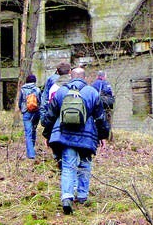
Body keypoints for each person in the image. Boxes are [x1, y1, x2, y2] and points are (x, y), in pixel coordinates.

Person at [41, 66, 110, 215]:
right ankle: (83, 196)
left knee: (68, 166)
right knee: (85, 165)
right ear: (85, 78)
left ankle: (67, 197)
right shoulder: (92, 92)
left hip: (65, 135)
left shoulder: (61, 92)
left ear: (71, 77)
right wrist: (103, 136)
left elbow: (50, 116)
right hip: (87, 137)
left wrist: (47, 135)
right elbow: (100, 118)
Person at [18, 74, 42, 160]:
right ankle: (32, 148)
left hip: (26, 112)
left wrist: (21, 109)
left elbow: (20, 101)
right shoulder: (37, 89)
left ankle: (31, 154)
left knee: (28, 133)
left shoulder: (22, 90)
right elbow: (40, 101)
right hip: (36, 113)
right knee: (34, 130)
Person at [92, 70, 115, 140]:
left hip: (96, 107)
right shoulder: (105, 83)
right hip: (106, 106)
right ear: (103, 76)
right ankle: (107, 137)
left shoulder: (94, 84)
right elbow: (109, 92)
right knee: (107, 122)